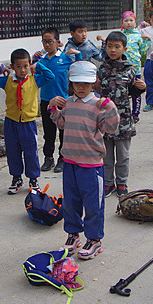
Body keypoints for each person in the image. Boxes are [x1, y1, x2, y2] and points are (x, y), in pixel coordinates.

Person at [49, 61, 120, 260]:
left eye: (86, 83)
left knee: (93, 204)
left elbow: (111, 128)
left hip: (91, 166)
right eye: (77, 83)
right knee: (70, 203)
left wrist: (110, 107)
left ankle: (94, 240)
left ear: (93, 83)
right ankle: (73, 235)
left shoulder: (98, 105)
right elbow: (61, 123)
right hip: (70, 162)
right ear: (71, 83)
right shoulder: (69, 103)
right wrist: (53, 108)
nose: (81, 87)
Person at [0, 48, 55, 193]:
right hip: (11, 122)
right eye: (18, 66)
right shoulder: (7, 81)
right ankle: (16, 178)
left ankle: (33, 179)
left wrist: (38, 65)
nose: (22, 70)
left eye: (25, 66)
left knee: (30, 152)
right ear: (12, 67)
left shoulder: (34, 80)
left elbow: (50, 76)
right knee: (13, 151)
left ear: (29, 65)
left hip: (28, 123)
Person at [97, 31, 146, 197]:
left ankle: (122, 183)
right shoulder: (102, 69)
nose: (113, 50)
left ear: (124, 49)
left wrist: (141, 88)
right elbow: (96, 91)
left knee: (123, 156)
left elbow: (133, 92)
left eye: (117, 46)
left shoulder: (130, 70)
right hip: (104, 121)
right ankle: (108, 183)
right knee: (106, 156)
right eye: (109, 46)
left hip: (123, 122)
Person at [32, 27, 74, 173]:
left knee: (63, 132)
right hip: (46, 100)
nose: (47, 44)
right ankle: (48, 158)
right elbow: (33, 74)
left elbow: (77, 67)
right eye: (44, 41)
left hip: (63, 100)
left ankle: (62, 159)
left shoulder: (65, 58)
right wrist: (34, 60)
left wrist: (78, 54)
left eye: (50, 41)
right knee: (48, 133)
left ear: (58, 42)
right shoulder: (41, 59)